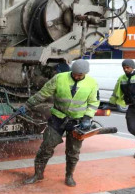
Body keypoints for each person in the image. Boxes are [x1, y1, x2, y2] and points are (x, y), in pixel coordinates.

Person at [23, 59, 100, 187]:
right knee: (46, 147)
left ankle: (69, 176)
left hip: (77, 122)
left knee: (73, 151)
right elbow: (43, 94)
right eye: (74, 73)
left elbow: (93, 103)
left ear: (85, 73)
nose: (76, 76)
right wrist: (27, 105)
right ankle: (38, 174)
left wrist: (87, 118)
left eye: (79, 75)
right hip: (57, 119)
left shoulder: (92, 83)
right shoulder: (59, 78)